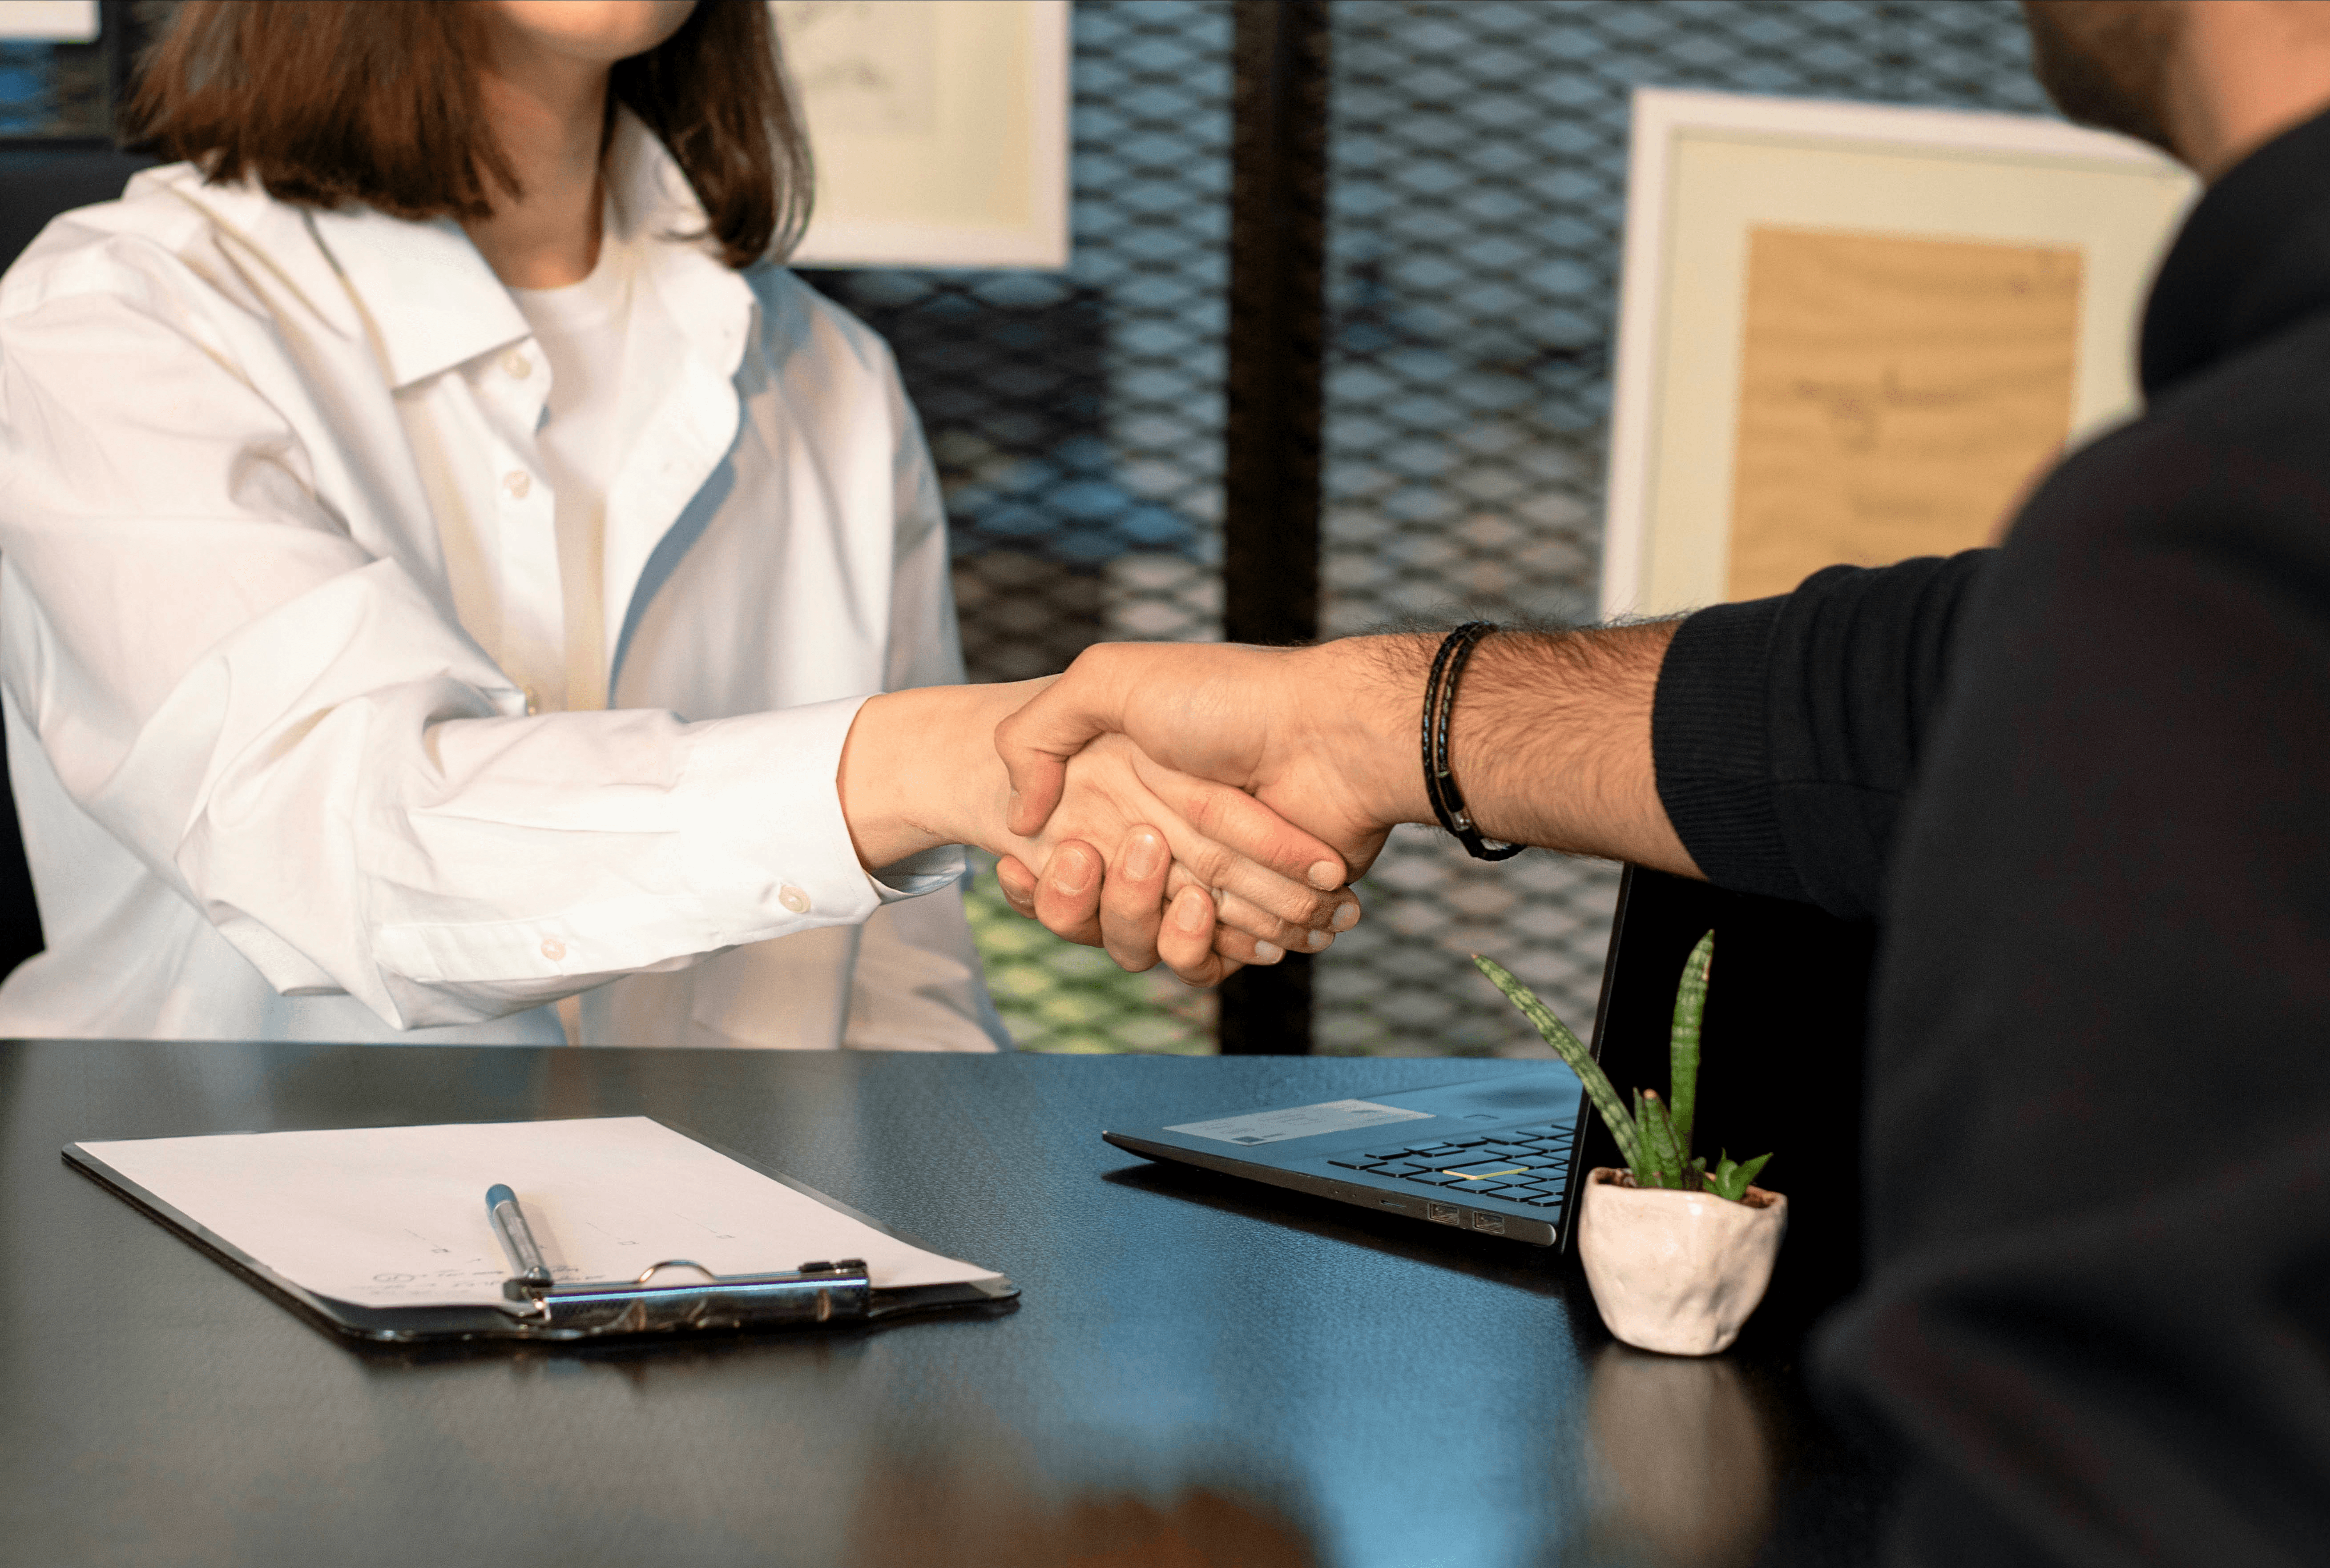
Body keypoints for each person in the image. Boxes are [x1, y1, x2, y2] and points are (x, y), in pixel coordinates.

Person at [997, 2, 2330, 1560]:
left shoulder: (2225, 529)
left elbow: (2099, 1475)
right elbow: (1935, 691)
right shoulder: (2212, 537)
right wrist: (1360, 720)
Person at [0, 0, 1354, 1049]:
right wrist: (925, 762)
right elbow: (353, 844)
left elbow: (903, 999)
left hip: (736, 1304)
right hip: (217, 1286)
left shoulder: (829, 375)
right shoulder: (119, 316)